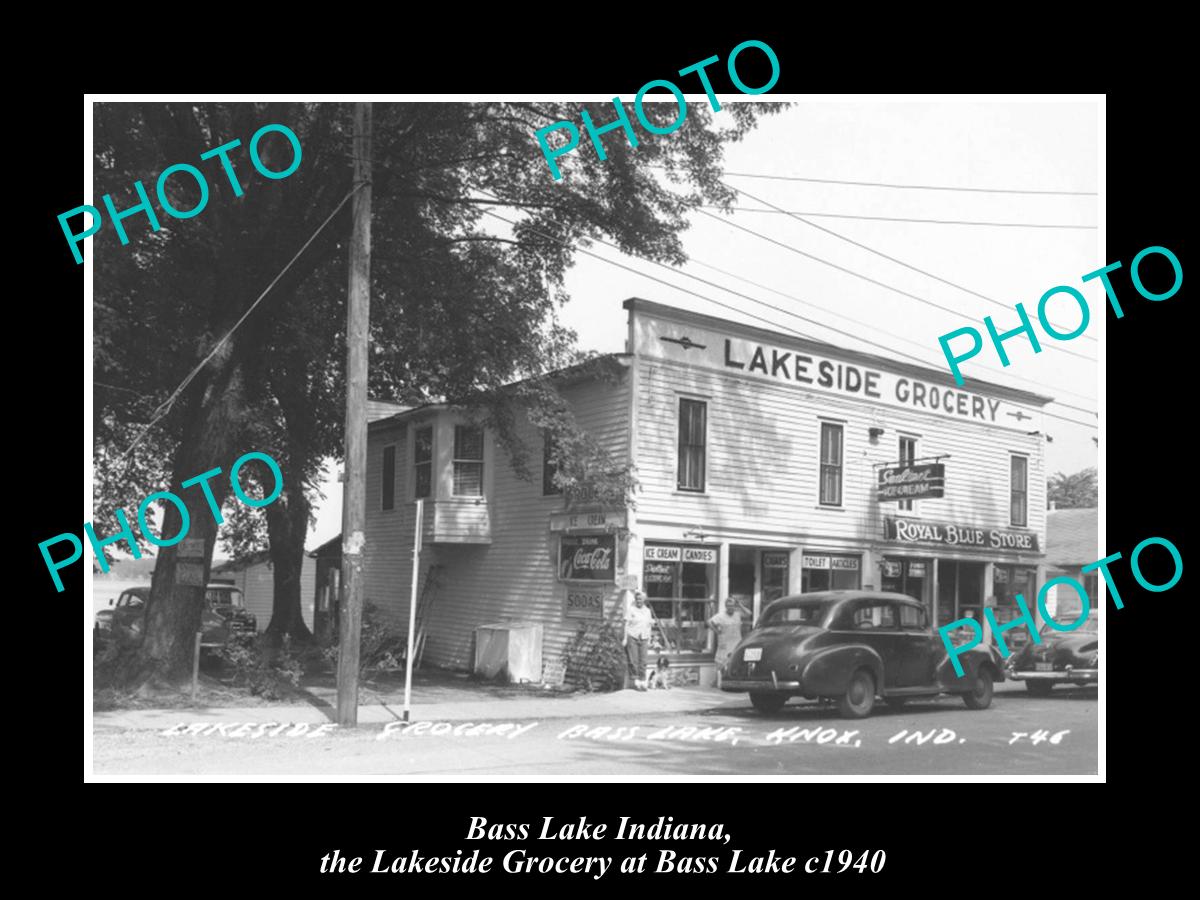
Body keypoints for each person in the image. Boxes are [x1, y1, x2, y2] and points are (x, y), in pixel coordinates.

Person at [708, 597, 752, 687]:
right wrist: (716, 631)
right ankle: (718, 681)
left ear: (734, 606)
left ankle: (735, 681)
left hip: (736, 640)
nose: (730, 608)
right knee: (721, 662)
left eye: (732, 606)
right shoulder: (720, 616)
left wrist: (740, 605)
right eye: (728, 606)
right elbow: (709, 622)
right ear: (725, 606)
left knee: (736, 660)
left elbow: (749, 613)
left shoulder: (737, 614)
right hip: (725, 640)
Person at [624, 590, 654, 691]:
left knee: (643, 661)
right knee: (634, 661)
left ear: (644, 600)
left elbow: (649, 626)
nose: (638, 601)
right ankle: (636, 682)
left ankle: (643, 682)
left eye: (640, 599)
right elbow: (626, 624)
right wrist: (625, 638)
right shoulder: (631, 609)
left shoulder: (647, 611)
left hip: (644, 637)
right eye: (637, 599)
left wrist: (649, 639)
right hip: (632, 636)